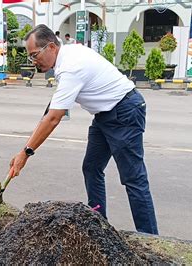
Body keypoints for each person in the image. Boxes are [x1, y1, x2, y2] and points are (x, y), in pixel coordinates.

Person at [9, 24, 158, 234]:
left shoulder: (71, 66)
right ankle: (99, 224)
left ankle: (151, 238)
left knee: (133, 179)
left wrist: (26, 153)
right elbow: (51, 111)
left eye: (35, 55)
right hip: (105, 115)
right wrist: (24, 148)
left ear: (51, 47)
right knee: (91, 167)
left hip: (124, 111)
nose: (33, 61)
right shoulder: (66, 57)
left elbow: (53, 119)